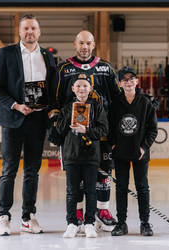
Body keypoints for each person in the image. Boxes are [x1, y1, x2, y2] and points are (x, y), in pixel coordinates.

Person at [0, 14, 57, 236]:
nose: (30, 32)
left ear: (39, 32)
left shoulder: (48, 57)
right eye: (26, 28)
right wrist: (16, 105)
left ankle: (28, 217)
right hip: (13, 119)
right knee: (9, 170)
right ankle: (3, 216)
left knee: (32, 172)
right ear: (20, 32)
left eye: (34, 28)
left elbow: (53, 89)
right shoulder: (5, 53)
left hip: (37, 121)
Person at [48, 30, 120, 232]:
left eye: (88, 43)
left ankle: (102, 210)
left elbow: (116, 101)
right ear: (75, 44)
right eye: (81, 43)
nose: (85, 46)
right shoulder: (63, 69)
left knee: (103, 174)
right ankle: (78, 212)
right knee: (77, 176)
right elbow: (55, 101)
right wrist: (57, 128)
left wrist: (116, 132)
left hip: (101, 133)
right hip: (73, 135)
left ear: (94, 44)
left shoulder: (106, 68)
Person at [56, 73, 108, 238]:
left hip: (91, 156)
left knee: (91, 191)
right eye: (78, 85)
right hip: (71, 155)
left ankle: (89, 223)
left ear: (90, 88)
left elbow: (103, 130)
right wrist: (67, 119)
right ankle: (71, 223)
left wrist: (87, 130)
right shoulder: (67, 107)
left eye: (85, 85)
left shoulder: (97, 107)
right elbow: (59, 132)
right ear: (73, 89)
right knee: (72, 191)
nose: (81, 89)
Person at [108, 67, 158, 237]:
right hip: (120, 153)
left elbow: (153, 130)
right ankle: (121, 223)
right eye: (124, 80)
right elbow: (108, 128)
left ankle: (145, 223)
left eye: (131, 79)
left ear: (137, 81)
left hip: (140, 153)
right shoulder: (115, 103)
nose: (128, 82)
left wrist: (144, 147)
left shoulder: (145, 103)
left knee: (142, 187)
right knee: (121, 188)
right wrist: (113, 144)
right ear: (120, 83)